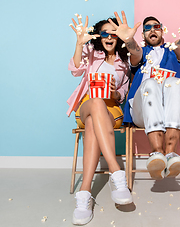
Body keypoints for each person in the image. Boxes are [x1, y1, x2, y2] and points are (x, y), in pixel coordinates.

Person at [108, 0, 180, 180]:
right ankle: (157, 152)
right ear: (143, 35)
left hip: (169, 108)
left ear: (162, 31)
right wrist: (128, 39)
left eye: (156, 26)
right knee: (150, 83)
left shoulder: (172, 51)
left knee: (175, 83)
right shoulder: (141, 53)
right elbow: (134, 52)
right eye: (147, 27)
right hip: (142, 110)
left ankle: (170, 155)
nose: (152, 29)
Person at [66, 15, 132, 225]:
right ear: (99, 36)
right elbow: (76, 70)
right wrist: (79, 44)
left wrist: (115, 95)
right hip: (87, 105)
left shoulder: (125, 63)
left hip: (111, 110)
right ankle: (116, 172)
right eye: (105, 33)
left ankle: (84, 194)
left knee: (95, 122)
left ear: (119, 37)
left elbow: (123, 92)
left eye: (114, 33)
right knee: (95, 101)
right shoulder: (92, 54)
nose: (109, 37)